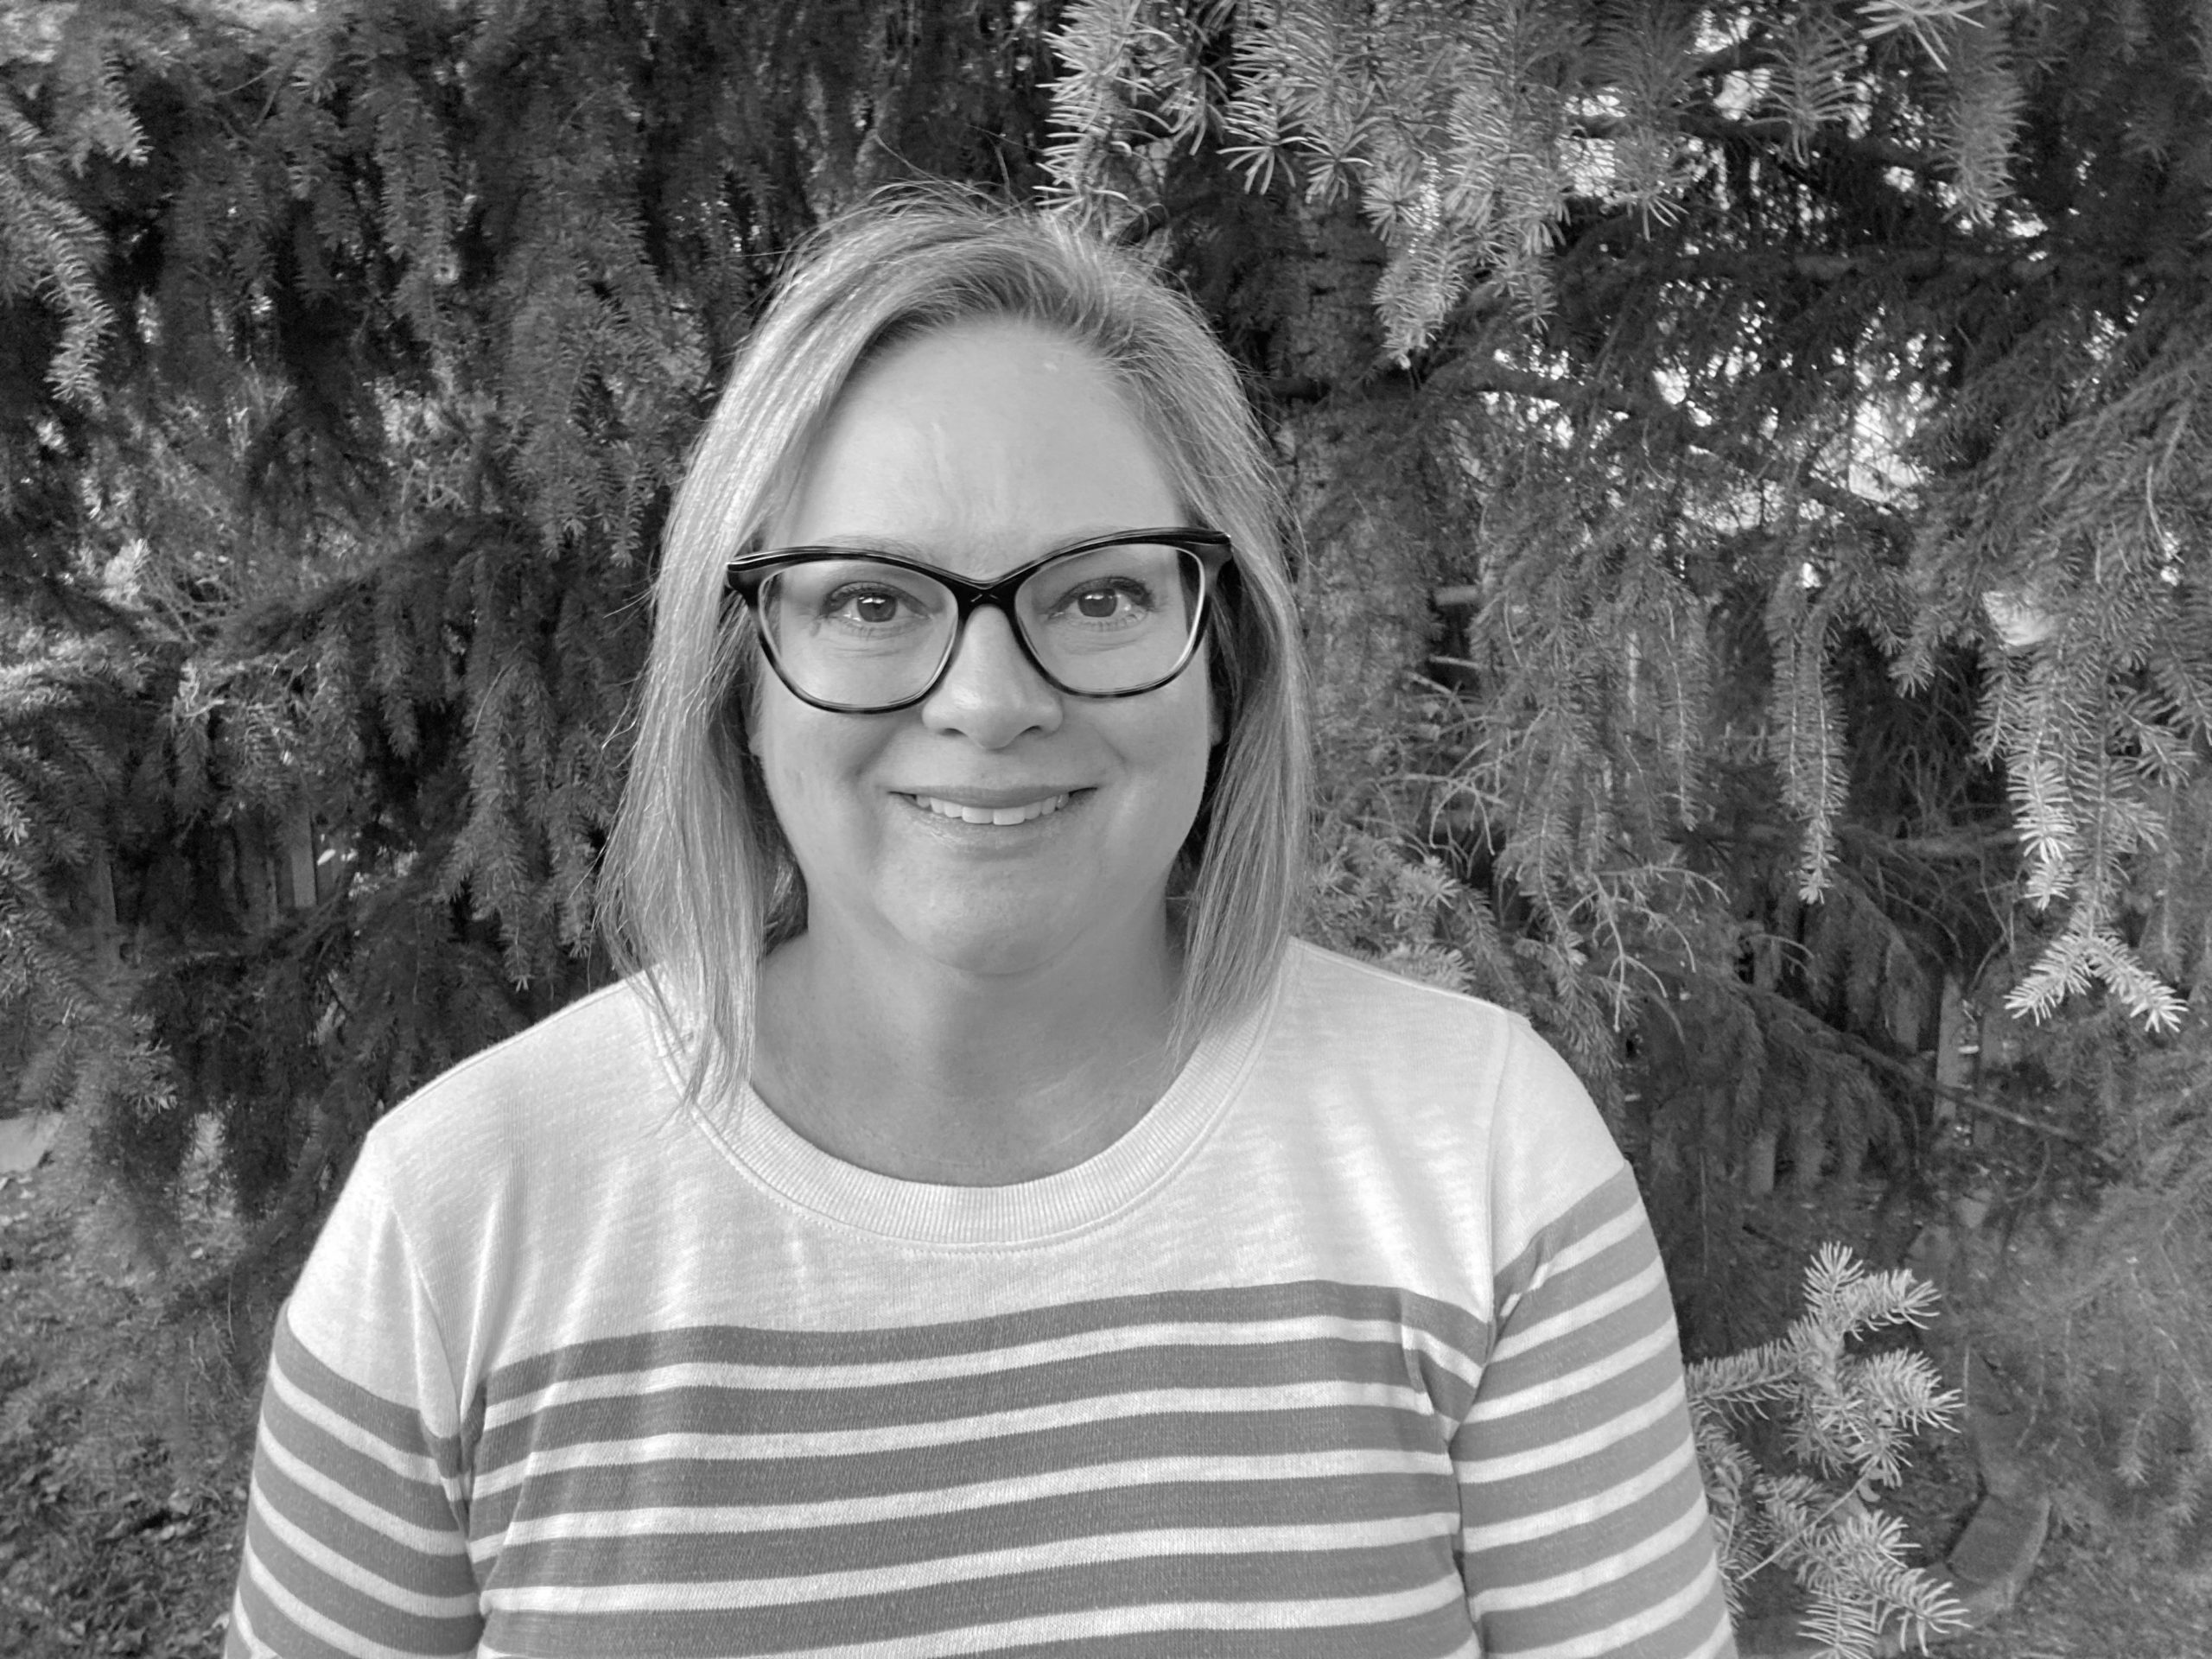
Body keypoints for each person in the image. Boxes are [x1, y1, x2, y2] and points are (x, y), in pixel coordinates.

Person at [226, 196, 1735, 1658]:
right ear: (737, 676)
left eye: (1098, 597)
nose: (991, 701)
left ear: (1230, 663)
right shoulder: (458, 1222)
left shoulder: (1479, 1162)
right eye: (873, 603)